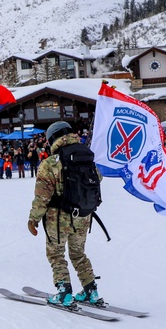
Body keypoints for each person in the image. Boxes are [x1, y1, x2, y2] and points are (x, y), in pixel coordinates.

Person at [27, 121, 101, 308]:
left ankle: (64, 292)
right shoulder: (86, 157)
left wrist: (33, 219)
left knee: (56, 254)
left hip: (58, 218)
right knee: (78, 253)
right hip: (84, 215)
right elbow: (97, 179)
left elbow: (42, 196)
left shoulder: (50, 163)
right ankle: (91, 290)